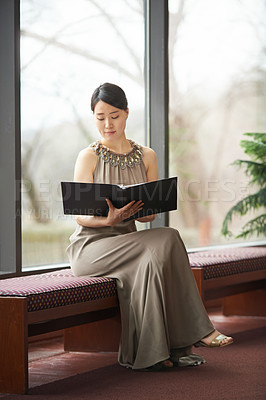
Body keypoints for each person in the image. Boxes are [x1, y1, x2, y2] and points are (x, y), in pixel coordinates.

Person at [66, 82, 233, 371]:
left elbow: (147, 218)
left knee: (154, 260)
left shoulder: (147, 156)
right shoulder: (88, 156)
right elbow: (79, 217)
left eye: (114, 116)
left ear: (127, 113)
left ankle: (157, 353)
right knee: (169, 236)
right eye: (100, 117)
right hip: (91, 249)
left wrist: (138, 210)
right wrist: (109, 220)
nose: (107, 124)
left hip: (130, 245)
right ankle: (200, 331)